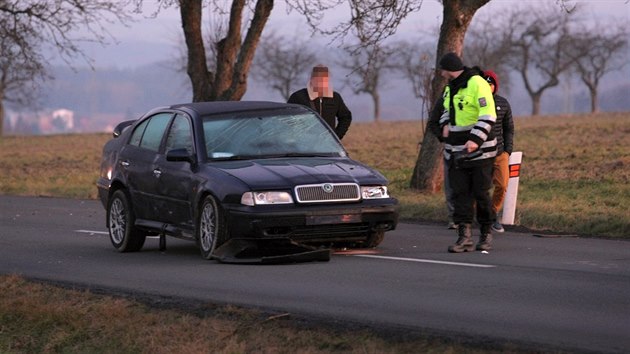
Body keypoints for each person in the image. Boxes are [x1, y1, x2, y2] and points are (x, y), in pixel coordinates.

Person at [437, 52, 498, 253]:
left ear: (448, 69)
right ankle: (464, 236)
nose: (442, 74)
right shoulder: (449, 88)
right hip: (456, 151)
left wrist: (475, 140)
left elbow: (488, 114)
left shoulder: (477, 84)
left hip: (481, 152)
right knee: (459, 194)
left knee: (481, 193)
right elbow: (447, 110)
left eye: (442, 70)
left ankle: (486, 233)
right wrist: (445, 125)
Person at [483, 70, 514, 233]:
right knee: (480, 187)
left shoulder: (503, 103)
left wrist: (508, 151)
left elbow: (508, 128)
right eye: (485, 84)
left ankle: (493, 213)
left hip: (500, 152)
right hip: (481, 153)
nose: (488, 87)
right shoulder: (476, 103)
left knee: (502, 184)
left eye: (491, 84)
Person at [288, 65, 352, 139]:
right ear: (312, 80)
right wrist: (299, 137)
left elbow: (346, 117)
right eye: (319, 80)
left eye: (325, 80)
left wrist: (336, 137)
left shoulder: (335, 98)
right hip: (304, 145)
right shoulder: (298, 97)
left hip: (328, 146)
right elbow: (288, 119)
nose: (322, 83)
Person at [427, 96, 456, 229]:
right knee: (451, 184)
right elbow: (433, 121)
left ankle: (468, 217)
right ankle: (453, 217)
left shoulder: (474, 91)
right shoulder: (446, 95)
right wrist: (442, 136)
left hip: (472, 147)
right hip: (450, 149)